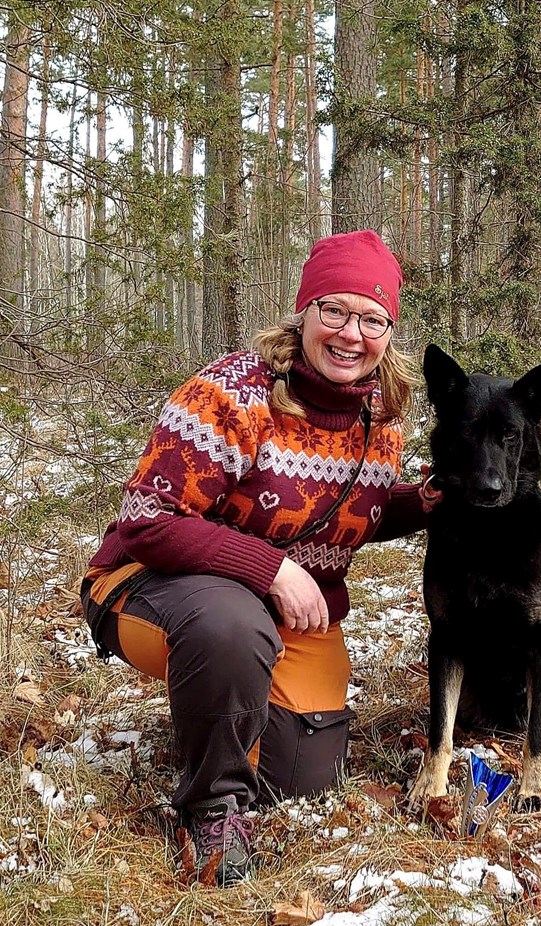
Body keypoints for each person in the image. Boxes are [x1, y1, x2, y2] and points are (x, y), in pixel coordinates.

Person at [80, 230, 434, 887]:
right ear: (303, 313)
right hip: (149, 588)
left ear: (389, 330)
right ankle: (207, 813)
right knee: (231, 625)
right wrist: (272, 568)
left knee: (298, 779)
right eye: (334, 310)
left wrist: (433, 499)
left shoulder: (380, 414)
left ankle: (216, 721)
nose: (351, 334)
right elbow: (148, 521)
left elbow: (365, 512)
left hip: (289, 615)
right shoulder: (233, 394)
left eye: (372, 318)